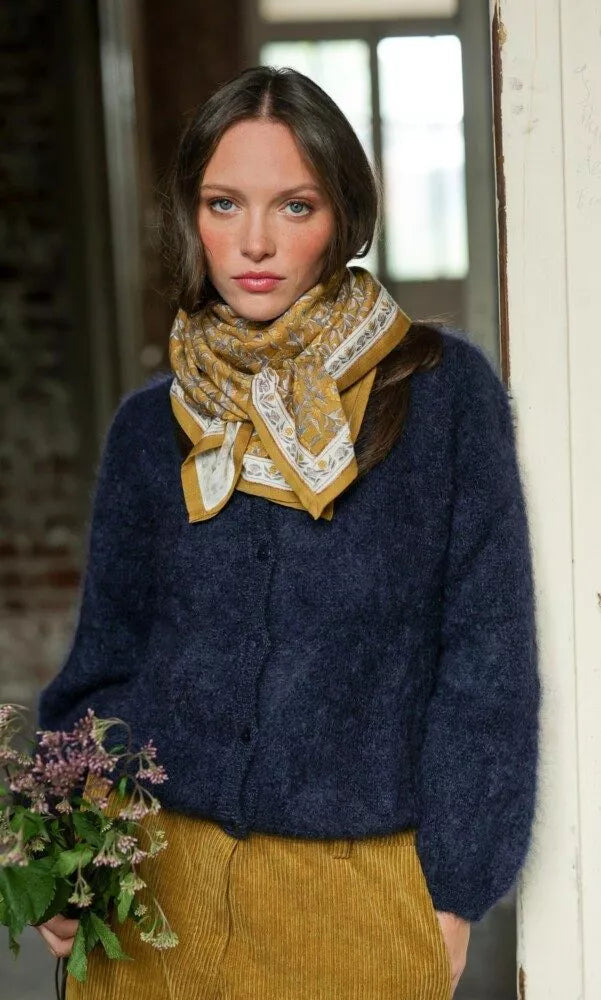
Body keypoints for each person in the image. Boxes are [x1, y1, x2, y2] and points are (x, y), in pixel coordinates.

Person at [34, 65, 540, 999]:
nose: (255, 242)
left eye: (294, 206)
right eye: (224, 204)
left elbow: (487, 659)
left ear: (343, 215)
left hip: (356, 900)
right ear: (191, 215)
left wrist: (453, 890)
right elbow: (103, 665)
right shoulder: (151, 426)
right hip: (150, 891)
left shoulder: (443, 399)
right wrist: (65, 852)